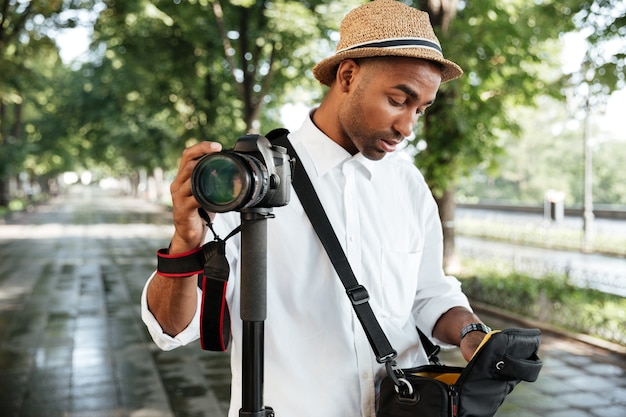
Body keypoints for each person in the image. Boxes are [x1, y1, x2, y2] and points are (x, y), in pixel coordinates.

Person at [141, 1, 490, 416]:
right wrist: (185, 240)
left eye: (420, 110)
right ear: (348, 76)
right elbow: (170, 328)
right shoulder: (247, 181)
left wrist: (473, 336)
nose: (407, 127)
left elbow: (429, 294)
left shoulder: (408, 184)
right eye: (399, 100)